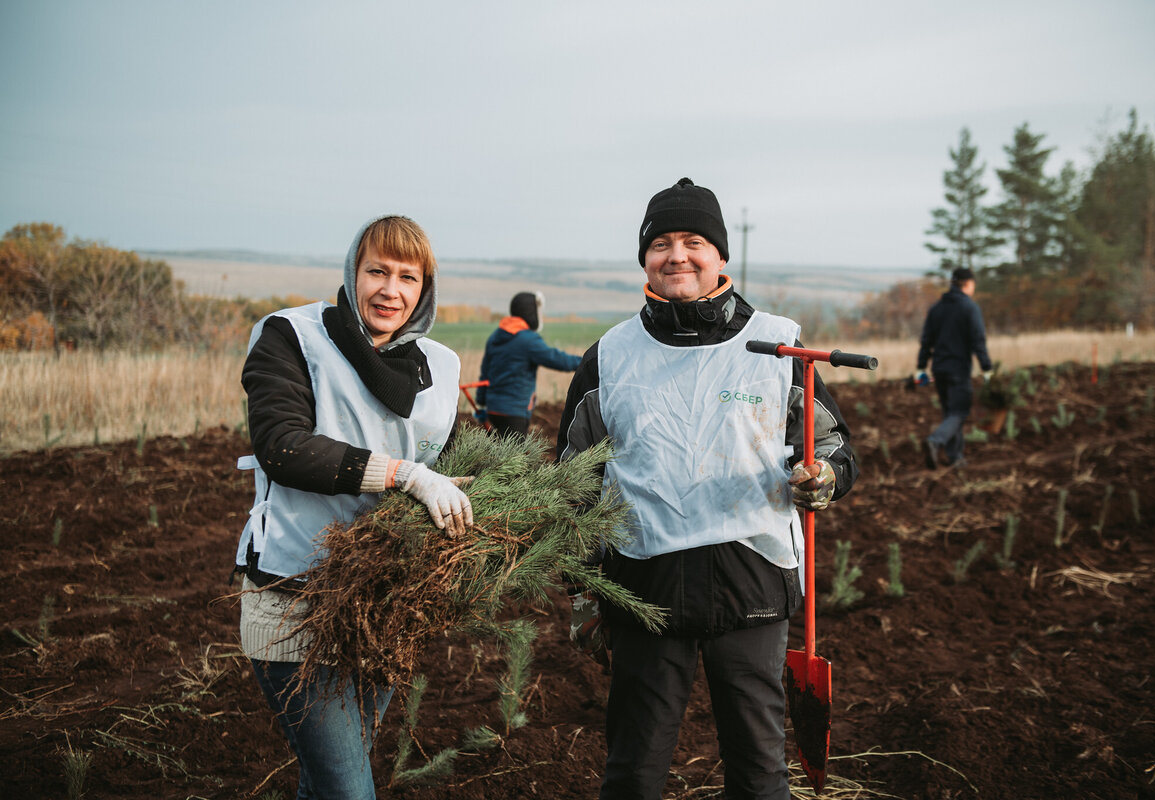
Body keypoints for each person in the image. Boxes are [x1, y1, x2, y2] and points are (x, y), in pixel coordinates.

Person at [556, 177, 859, 799]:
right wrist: (585, 593)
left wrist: (822, 479)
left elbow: (831, 448)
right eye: (661, 242)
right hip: (643, 587)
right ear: (644, 257)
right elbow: (574, 485)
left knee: (758, 773)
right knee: (633, 773)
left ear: (720, 256)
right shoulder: (609, 357)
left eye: (694, 241)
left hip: (751, 580)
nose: (678, 256)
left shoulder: (778, 347)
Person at [233, 215, 474, 800]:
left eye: (408, 278)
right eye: (377, 271)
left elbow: (454, 454)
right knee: (347, 786)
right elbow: (283, 447)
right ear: (352, 272)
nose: (391, 290)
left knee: (333, 774)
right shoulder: (293, 336)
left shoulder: (440, 365)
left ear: (425, 289)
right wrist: (405, 475)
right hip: (295, 593)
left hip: (385, 601)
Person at [475, 291, 582, 437]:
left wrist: (481, 403)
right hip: (514, 411)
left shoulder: (495, 336)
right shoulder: (528, 340)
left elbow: (485, 373)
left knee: (499, 453)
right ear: (532, 313)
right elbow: (555, 359)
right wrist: (584, 362)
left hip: (492, 410)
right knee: (513, 458)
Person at [916, 266, 993, 469]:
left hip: (939, 369)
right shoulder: (969, 308)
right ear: (968, 284)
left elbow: (926, 341)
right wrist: (987, 368)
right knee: (959, 412)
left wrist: (921, 367)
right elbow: (978, 340)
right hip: (958, 369)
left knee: (950, 413)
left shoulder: (937, 308)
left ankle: (955, 457)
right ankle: (935, 441)